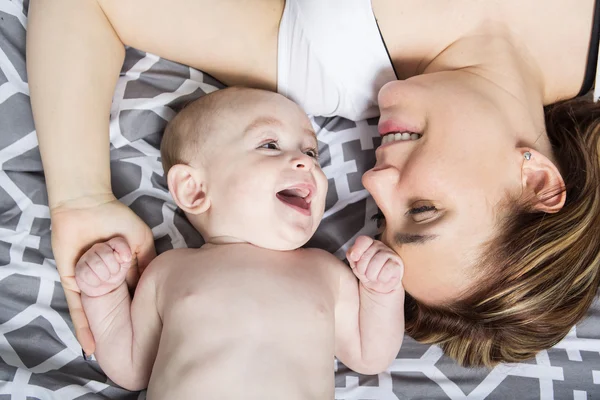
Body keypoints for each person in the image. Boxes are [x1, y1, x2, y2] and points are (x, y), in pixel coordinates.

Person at [27, 0, 600, 367]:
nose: (375, 181)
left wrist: (81, 197)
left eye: (384, 216)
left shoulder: (320, 63)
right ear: (538, 181)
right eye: (423, 210)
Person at [74, 87, 405, 397]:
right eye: (269, 145)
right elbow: (132, 368)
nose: (306, 162)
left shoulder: (326, 272)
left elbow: (370, 355)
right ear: (194, 189)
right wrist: (104, 291)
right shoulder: (169, 269)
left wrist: (382, 292)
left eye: (310, 151)